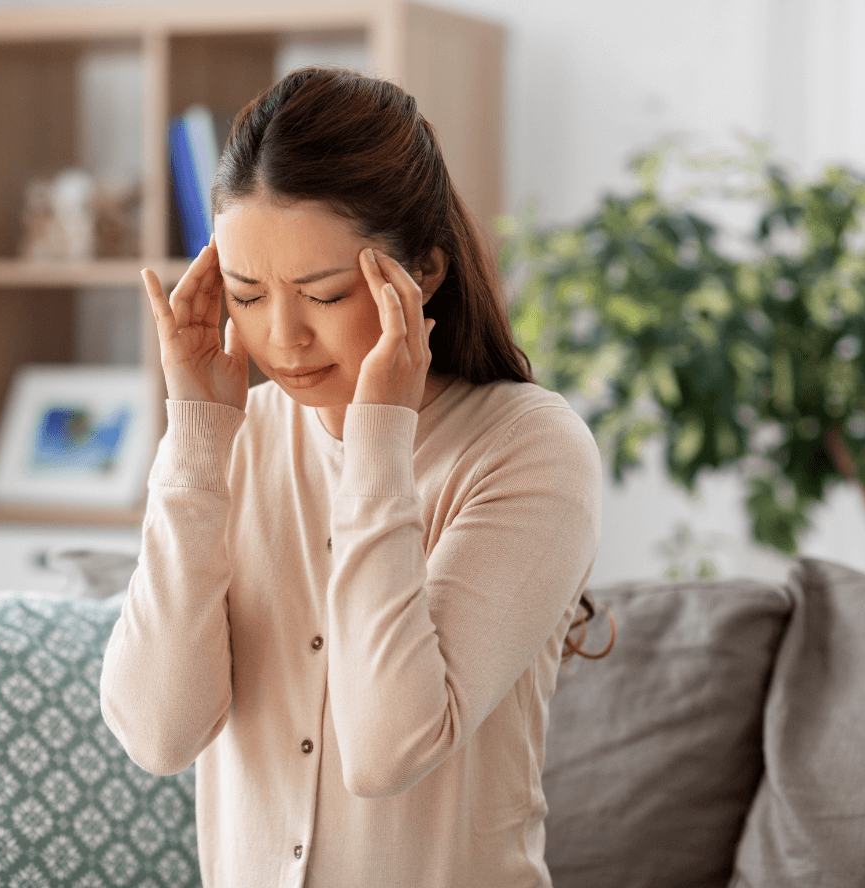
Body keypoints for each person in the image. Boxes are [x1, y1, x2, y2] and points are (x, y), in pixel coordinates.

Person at [100, 65, 609, 887]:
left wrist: (377, 444)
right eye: (247, 293)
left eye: (324, 294)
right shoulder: (236, 439)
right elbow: (158, 735)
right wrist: (196, 438)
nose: (284, 338)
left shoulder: (530, 448)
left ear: (426, 274)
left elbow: (386, 749)